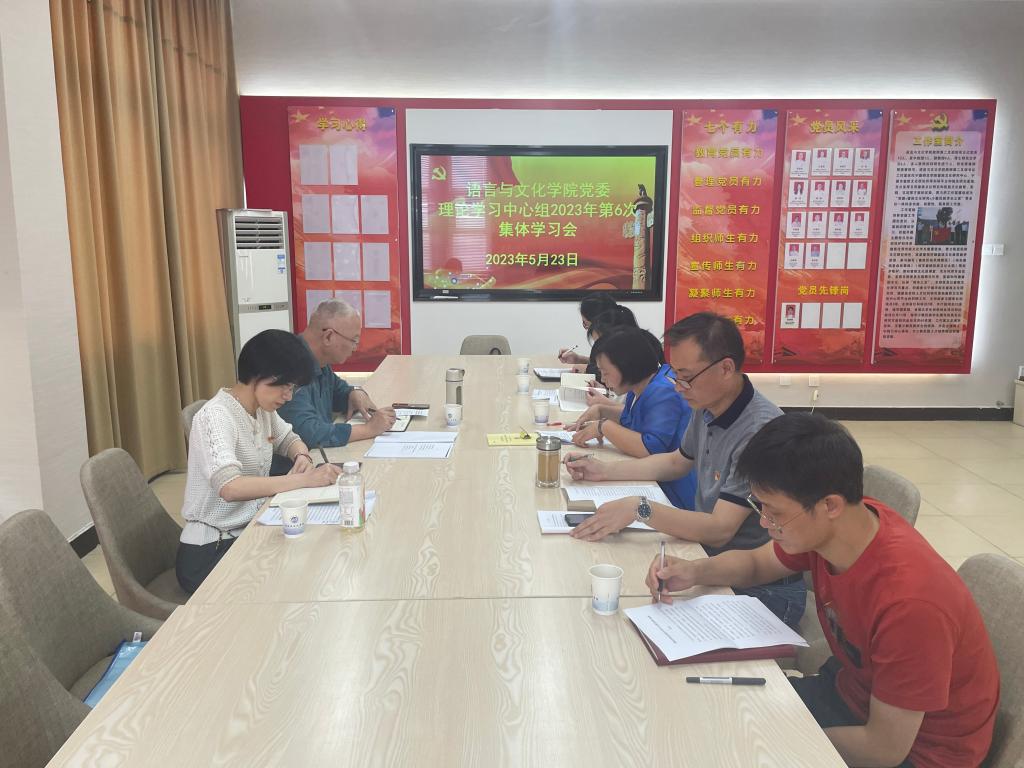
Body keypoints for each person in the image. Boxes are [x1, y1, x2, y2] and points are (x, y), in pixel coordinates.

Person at [646, 413, 999, 768]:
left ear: (830, 505)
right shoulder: (839, 528)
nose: (765, 523)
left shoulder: (910, 603)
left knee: (734, 744)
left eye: (774, 512)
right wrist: (694, 570)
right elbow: (757, 564)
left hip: (919, 753)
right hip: (854, 695)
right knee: (706, 717)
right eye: (760, 506)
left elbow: (883, 749)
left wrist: (771, 735)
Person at [564, 312, 805, 627]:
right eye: (675, 374)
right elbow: (677, 461)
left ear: (726, 368)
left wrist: (640, 508)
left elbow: (720, 528)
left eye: (686, 377)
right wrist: (605, 471)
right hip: (709, 559)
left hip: (760, 586)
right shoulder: (707, 405)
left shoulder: (760, 432)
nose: (678, 387)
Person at [176, 329, 344, 593]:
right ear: (258, 376)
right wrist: (303, 480)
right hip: (211, 550)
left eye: (292, 388)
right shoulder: (215, 417)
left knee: (316, 555)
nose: (288, 396)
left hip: (248, 529)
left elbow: (289, 438)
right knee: (299, 576)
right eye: (284, 386)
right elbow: (230, 487)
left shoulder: (260, 410)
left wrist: (301, 455)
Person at [570, 327, 697, 509]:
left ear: (627, 366)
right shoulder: (641, 385)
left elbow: (650, 448)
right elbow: (633, 417)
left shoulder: (664, 390)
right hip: (654, 479)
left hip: (673, 492)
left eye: (606, 372)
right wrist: (602, 410)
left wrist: (603, 426)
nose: (603, 379)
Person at [272, 298, 396, 475]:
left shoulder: (318, 360)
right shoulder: (290, 366)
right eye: (354, 340)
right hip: (291, 474)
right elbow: (309, 432)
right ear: (328, 336)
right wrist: (369, 429)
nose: (355, 348)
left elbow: (338, 391)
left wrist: (354, 393)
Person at [558, 293, 617, 365]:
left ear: (597, 323)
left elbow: (610, 369)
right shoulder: (614, 336)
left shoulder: (618, 343)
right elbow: (599, 364)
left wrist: (587, 369)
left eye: (585, 323)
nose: (587, 329)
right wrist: (578, 359)